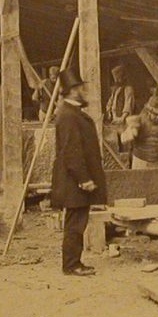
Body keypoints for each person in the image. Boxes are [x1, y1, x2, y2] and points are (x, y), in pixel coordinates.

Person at [50, 67, 107, 277]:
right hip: (73, 181)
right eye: (81, 87)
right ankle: (72, 265)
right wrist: (83, 179)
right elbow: (71, 151)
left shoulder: (72, 113)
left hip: (74, 180)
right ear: (74, 90)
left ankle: (74, 262)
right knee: (75, 223)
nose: (84, 91)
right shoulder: (67, 115)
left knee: (77, 221)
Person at [127, 89, 158, 170]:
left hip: (156, 162)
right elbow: (126, 138)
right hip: (140, 161)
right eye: (155, 114)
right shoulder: (140, 120)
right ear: (149, 111)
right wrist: (131, 132)